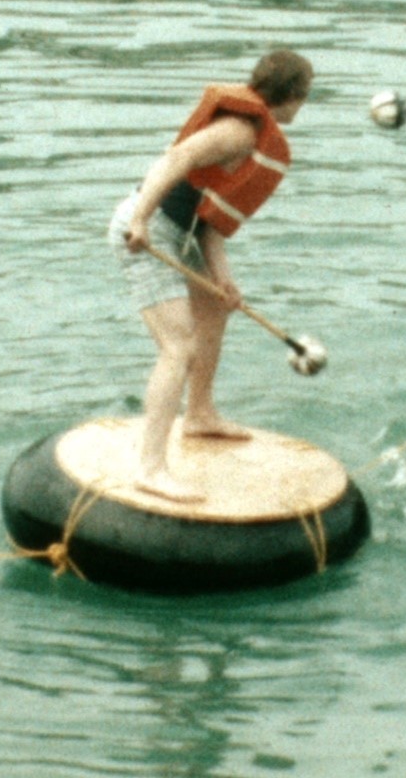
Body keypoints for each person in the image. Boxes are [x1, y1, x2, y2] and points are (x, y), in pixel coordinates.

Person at [108, 50, 313, 503]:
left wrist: (223, 279)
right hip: (146, 231)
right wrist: (140, 219)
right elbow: (176, 158)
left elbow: (207, 221)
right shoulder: (238, 129)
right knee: (177, 347)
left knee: (216, 307)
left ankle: (199, 413)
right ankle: (152, 469)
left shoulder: (253, 137)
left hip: (178, 232)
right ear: (296, 96)